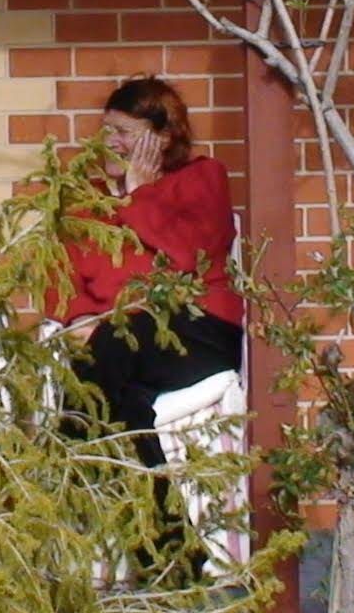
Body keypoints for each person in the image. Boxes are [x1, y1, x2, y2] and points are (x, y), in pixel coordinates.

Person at [58, 76, 243, 486]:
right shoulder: (86, 201)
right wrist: (77, 320)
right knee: (128, 410)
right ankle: (170, 545)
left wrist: (140, 193)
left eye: (123, 133)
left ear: (162, 137)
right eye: (106, 130)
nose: (110, 142)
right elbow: (64, 275)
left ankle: (63, 469)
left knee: (119, 337)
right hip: (119, 348)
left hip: (198, 332)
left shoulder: (202, 178)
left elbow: (189, 257)